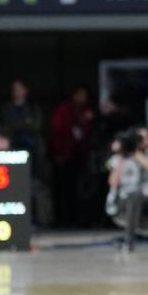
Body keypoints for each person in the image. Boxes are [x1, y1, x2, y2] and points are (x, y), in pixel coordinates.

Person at [49, 85, 95, 228]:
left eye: (84, 95)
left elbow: (88, 134)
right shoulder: (63, 110)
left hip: (80, 156)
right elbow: (56, 132)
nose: (83, 98)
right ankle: (63, 220)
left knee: (80, 191)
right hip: (64, 157)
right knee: (64, 190)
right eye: (80, 95)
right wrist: (58, 154)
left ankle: (79, 220)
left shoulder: (85, 111)